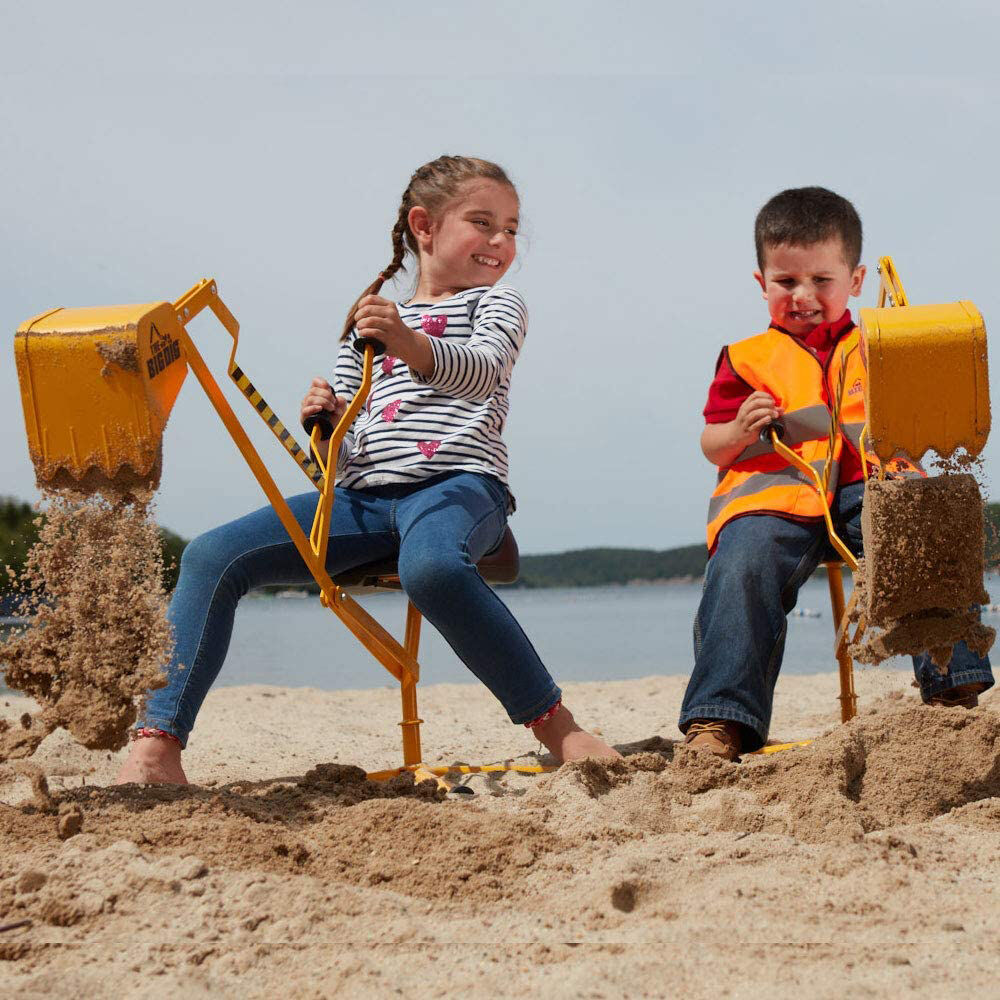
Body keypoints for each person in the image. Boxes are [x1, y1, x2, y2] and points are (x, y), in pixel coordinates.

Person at [117, 155, 620, 785]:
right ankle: (158, 743)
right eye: (484, 222)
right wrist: (323, 422)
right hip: (361, 497)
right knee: (211, 555)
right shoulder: (368, 315)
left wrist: (409, 345)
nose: (502, 242)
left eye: (512, 229)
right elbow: (341, 448)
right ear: (424, 225)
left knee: (432, 567)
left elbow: (483, 371)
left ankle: (558, 727)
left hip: (461, 485)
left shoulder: (498, 303)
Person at [680, 186, 995, 761]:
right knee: (743, 565)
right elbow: (712, 445)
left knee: (926, 529)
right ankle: (720, 720)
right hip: (774, 500)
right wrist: (741, 430)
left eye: (820, 281)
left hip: (871, 487)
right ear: (761, 283)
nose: (802, 296)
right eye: (786, 281)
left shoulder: (884, 343)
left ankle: (957, 691)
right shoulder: (745, 357)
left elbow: (933, 416)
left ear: (854, 280)